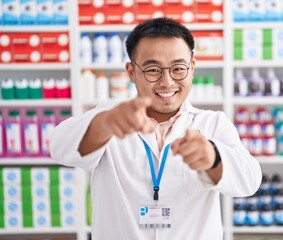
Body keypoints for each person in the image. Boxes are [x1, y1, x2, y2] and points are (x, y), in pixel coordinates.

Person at [50, 17, 262, 240]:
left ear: (192, 68)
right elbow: (60, 147)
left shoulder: (212, 123)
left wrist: (213, 157)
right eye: (152, 70)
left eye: (178, 68)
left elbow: (249, 181)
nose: (167, 82)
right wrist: (106, 124)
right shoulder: (110, 118)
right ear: (131, 72)